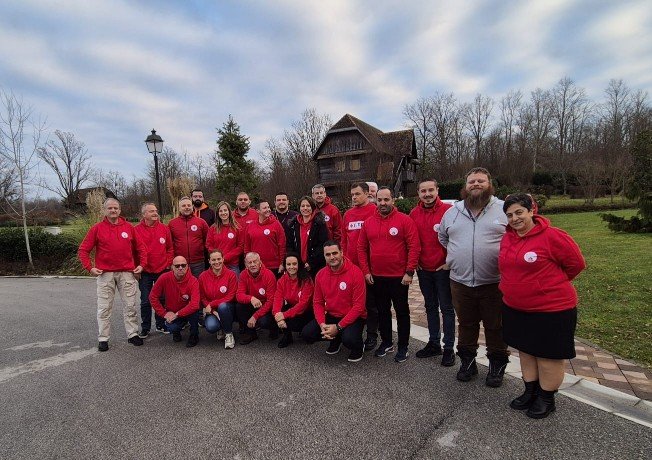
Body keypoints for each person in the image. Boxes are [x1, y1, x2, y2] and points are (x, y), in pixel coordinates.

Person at [499, 193, 585, 419]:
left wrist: (546, 285)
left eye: (519, 212)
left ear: (531, 211)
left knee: (548, 356)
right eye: (510, 215)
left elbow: (576, 264)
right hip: (516, 308)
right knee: (526, 351)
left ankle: (547, 398)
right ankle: (531, 391)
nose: (515, 218)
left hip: (551, 310)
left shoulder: (552, 236)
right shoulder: (508, 238)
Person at [438, 167, 510, 387]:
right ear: (465, 186)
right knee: (466, 324)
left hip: (494, 283)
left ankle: (497, 365)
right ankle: (468, 362)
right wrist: (457, 256)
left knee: (495, 326)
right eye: (471, 182)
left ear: (489, 184)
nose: (476, 185)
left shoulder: (503, 209)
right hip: (460, 282)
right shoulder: (452, 212)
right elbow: (443, 237)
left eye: (481, 181)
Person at [357, 187, 420, 363]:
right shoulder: (368, 222)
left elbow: (414, 246)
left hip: (399, 277)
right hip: (376, 277)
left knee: (402, 312)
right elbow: (361, 248)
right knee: (383, 311)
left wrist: (409, 271)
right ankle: (386, 342)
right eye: (380, 200)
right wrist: (366, 271)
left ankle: (403, 346)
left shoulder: (404, 221)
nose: (383, 203)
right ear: (375, 200)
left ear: (393, 200)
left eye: (386, 200)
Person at [78, 198, 147, 351]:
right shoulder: (97, 228)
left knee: (130, 306)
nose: (113, 211)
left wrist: (141, 265)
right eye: (110, 208)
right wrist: (90, 268)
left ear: (120, 210)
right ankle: (103, 338)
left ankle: (132, 334)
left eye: (115, 208)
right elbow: (83, 250)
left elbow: (141, 248)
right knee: (104, 308)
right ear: (105, 210)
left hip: (126, 273)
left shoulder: (129, 228)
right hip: (105, 274)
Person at [409, 179, 455, 366]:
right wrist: (415, 262)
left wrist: (449, 262)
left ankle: (449, 348)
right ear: (418, 193)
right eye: (423, 191)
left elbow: (457, 239)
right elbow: (411, 240)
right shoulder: (413, 213)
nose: (427, 194)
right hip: (424, 269)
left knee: (447, 309)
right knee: (430, 307)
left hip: (442, 269)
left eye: (430, 190)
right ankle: (434, 343)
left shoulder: (449, 211)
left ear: (437, 190)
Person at [302, 241, 367, 363]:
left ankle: (358, 347)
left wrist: (338, 327)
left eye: (335, 253)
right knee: (307, 334)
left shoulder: (355, 272)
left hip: (353, 317)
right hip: (332, 314)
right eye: (328, 255)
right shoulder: (320, 275)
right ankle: (335, 339)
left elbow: (359, 307)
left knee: (349, 339)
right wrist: (322, 324)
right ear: (324, 256)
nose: (332, 257)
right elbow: (318, 302)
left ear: (341, 253)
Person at [341, 182, 378, 351]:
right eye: (352, 195)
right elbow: (343, 239)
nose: (354, 197)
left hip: (370, 267)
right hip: (351, 268)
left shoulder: (374, 211)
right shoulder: (348, 214)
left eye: (357, 194)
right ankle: (355, 331)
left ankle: (372, 335)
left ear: (367, 194)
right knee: (354, 302)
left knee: (371, 303)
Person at [134, 202, 174, 337]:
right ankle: (145, 327)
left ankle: (160, 324)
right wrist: (137, 268)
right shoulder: (137, 230)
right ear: (144, 214)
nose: (155, 213)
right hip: (144, 272)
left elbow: (169, 248)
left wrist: (168, 264)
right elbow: (133, 251)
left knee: (161, 299)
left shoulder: (164, 228)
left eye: (156, 211)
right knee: (146, 300)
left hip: (162, 270)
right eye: (151, 211)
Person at [149, 256, 201, 347]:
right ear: (172, 267)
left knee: (195, 312)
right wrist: (164, 314)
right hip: (172, 311)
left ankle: (194, 334)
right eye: (177, 266)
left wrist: (177, 314)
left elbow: (195, 304)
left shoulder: (193, 281)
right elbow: (152, 297)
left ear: (187, 266)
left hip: (187, 312)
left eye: (183, 265)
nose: (180, 268)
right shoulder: (164, 278)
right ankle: (176, 332)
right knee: (172, 328)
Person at [270, 253, 315, 348]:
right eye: (288, 264)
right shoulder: (282, 280)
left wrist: (284, 315)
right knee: (277, 311)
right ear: (285, 266)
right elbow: (277, 298)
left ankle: (305, 330)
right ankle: (287, 337)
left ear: (299, 264)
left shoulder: (307, 280)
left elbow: (303, 304)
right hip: (293, 307)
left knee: (295, 325)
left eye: (294, 264)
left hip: (308, 311)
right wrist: (277, 315)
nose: (291, 267)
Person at [199, 249, 238, 349]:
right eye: (213, 260)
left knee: (223, 306)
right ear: (209, 261)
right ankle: (221, 327)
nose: (217, 262)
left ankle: (229, 334)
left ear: (223, 259)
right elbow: (202, 297)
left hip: (227, 308)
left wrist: (211, 305)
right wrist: (212, 310)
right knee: (211, 327)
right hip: (212, 311)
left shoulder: (231, 275)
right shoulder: (203, 276)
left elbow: (231, 296)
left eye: (219, 259)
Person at [235, 252, 278, 344]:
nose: (253, 265)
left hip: (267, 307)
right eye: (249, 263)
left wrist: (255, 316)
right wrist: (251, 298)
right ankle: (251, 333)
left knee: (263, 322)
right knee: (239, 306)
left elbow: (271, 301)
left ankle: (274, 328)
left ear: (260, 262)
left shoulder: (269, 275)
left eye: (255, 262)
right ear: (246, 265)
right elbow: (239, 295)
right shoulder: (243, 274)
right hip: (254, 304)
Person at [286, 196, 329, 278]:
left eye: (308, 206)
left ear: (312, 207)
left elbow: (322, 245)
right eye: (303, 206)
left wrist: (311, 263)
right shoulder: (293, 225)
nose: (305, 208)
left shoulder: (319, 224)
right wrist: (296, 262)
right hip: (298, 267)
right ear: (299, 208)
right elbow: (290, 245)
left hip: (316, 266)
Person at [168, 196, 209, 279]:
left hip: (198, 263)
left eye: (188, 205)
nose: (186, 207)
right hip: (180, 264)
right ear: (179, 208)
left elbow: (208, 241)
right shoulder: (172, 224)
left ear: (192, 207)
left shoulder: (201, 222)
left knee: (198, 286)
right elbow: (169, 245)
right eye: (183, 206)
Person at [244, 200, 286, 276]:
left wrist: (281, 263)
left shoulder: (276, 224)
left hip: (274, 266)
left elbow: (282, 245)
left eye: (268, 207)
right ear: (257, 211)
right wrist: (248, 263)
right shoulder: (250, 226)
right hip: (256, 267)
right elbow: (247, 247)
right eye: (264, 208)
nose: (268, 210)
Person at [206, 201, 243, 276]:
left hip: (232, 265)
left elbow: (240, 247)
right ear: (218, 213)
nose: (223, 213)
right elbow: (208, 245)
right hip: (217, 265)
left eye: (225, 210)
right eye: (221, 211)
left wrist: (225, 258)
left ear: (229, 212)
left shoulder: (237, 228)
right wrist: (218, 258)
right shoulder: (213, 228)